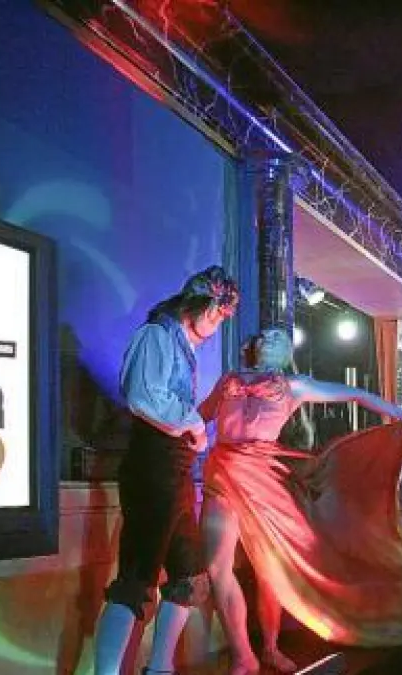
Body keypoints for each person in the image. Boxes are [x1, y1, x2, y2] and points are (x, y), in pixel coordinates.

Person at [199, 329, 402, 675]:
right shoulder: (229, 380)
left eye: (277, 336)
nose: (269, 337)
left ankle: (270, 647)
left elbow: (356, 394)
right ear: (253, 347)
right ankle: (244, 657)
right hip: (222, 475)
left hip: (263, 482)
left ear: (285, 353)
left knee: (273, 567)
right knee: (217, 567)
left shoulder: (295, 386)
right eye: (265, 335)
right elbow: (200, 415)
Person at [93, 266, 240, 675]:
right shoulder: (156, 335)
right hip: (152, 465)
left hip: (175, 469)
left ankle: (160, 668)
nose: (216, 325)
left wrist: (198, 423)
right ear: (201, 306)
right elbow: (144, 397)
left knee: (187, 572)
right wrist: (194, 425)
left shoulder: (180, 344)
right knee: (137, 575)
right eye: (217, 315)